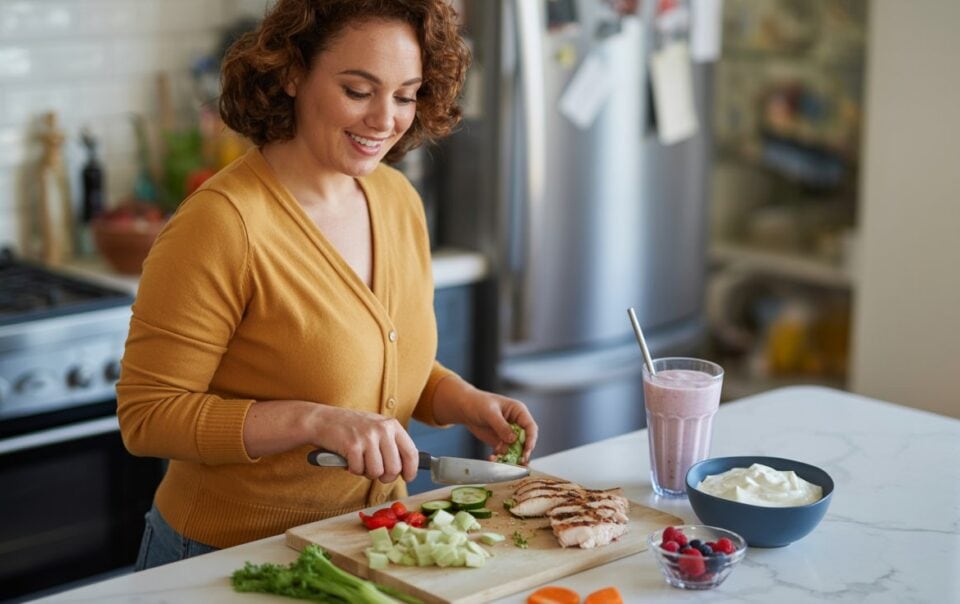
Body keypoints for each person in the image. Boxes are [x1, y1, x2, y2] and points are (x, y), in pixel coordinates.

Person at [117, 0, 538, 570]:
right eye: (358, 91)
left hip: (369, 543)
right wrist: (312, 421)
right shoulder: (221, 225)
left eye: (406, 94)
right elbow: (149, 417)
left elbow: (377, 365)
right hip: (225, 558)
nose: (385, 119)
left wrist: (462, 401)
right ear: (293, 73)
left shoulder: (396, 200)